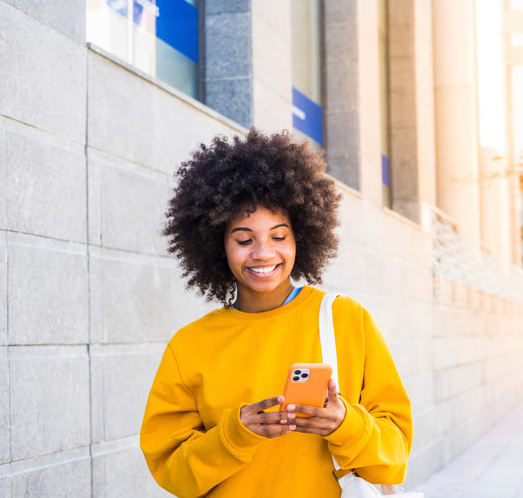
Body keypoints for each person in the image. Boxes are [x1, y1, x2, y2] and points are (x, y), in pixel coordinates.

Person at [140, 129, 413, 497]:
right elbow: (172, 472)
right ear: (217, 244)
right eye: (244, 239)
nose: (263, 253)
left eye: (279, 236)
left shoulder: (346, 319)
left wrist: (344, 424)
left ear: (302, 236)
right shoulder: (189, 346)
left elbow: (394, 457)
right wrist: (234, 435)